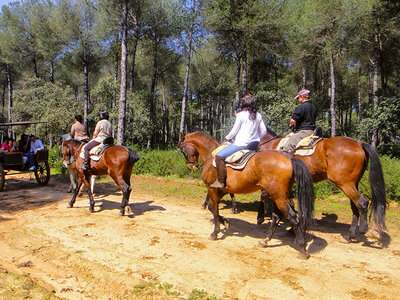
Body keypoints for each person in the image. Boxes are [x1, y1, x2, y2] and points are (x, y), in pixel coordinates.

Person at [210, 94, 267, 188]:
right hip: (254, 144)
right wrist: (256, 137)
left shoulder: (241, 115)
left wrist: (228, 137)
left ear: (244, 104)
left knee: (219, 156)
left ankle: (221, 182)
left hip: (241, 144)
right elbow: (264, 131)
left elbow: (234, 130)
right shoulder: (258, 115)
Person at [279, 89, 316, 156]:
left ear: (302, 97)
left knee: (288, 145)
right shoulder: (313, 107)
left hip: (303, 131)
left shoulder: (301, 107)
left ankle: (288, 162)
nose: (298, 100)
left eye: (298, 98)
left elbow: (293, 120)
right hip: (312, 131)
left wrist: (290, 125)